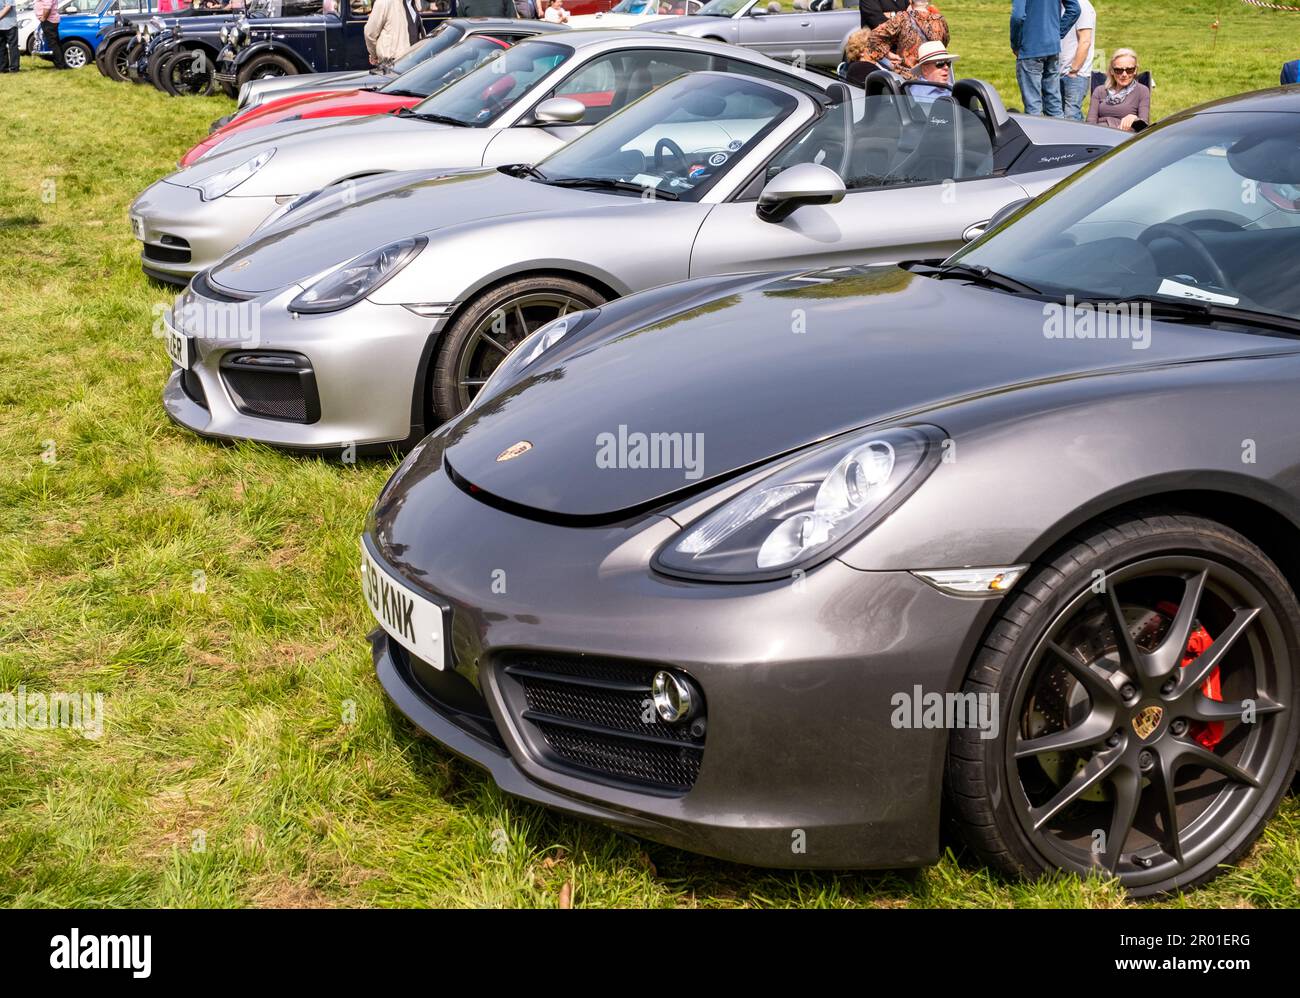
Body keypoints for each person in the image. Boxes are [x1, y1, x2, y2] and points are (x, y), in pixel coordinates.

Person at [1010, 0, 1079, 117]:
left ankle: (1035, 135)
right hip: (1052, 48)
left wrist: (1015, 44)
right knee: (1054, 103)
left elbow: (1018, 16)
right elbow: (1075, 9)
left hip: (1030, 49)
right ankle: (1060, 133)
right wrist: (1056, 34)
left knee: (1033, 107)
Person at [864, 0, 947, 79]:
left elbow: (874, 37)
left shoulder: (901, 18)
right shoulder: (940, 20)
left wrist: (888, 53)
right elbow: (943, 43)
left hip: (908, 76)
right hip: (935, 72)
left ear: (910, 1)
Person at [1087, 47, 1150, 131]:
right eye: (1118, 70)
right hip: (1100, 133)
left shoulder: (1142, 91)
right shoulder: (1100, 91)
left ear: (1135, 70)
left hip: (1124, 136)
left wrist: (1135, 118)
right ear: (1112, 71)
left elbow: (1144, 125)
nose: (1124, 74)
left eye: (1129, 70)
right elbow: (1090, 123)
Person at [1058, 0, 1094, 121]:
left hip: (1075, 74)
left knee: (1071, 115)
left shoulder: (1082, 5)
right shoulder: (1058, 6)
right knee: (1058, 116)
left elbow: (1085, 40)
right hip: (1057, 72)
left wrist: (1074, 69)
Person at [364, 0, 424, 69]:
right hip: (392, 63)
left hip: (413, 61)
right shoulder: (384, 2)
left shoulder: (415, 3)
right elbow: (370, 33)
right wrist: (375, 55)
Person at [34, 0, 65, 69]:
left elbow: (47, 7)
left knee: (53, 44)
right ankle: (61, 64)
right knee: (55, 43)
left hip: (49, 21)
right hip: (50, 20)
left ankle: (60, 65)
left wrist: (43, 18)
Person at [0, 0, 18, 74]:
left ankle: (14, 68)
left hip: (10, 25)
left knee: (13, 47)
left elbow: (8, 7)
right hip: (1, 26)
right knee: (1, 48)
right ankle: (3, 68)